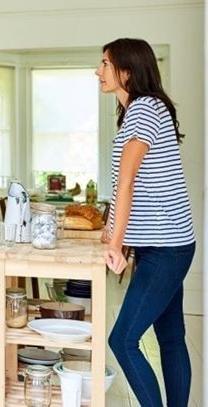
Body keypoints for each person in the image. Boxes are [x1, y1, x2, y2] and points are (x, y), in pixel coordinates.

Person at [96, 38, 195, 407]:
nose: (98, 71)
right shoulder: (142, 110)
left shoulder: (144, 109)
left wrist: (115, 244)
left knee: (122, 339)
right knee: (170, 336)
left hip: (165, 249)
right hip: (168, 244)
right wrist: (110, 231)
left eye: (105, 63)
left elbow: (127, 181)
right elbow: (132, 187)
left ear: (127, 70)